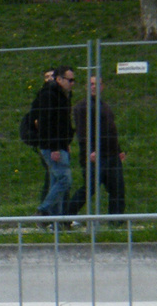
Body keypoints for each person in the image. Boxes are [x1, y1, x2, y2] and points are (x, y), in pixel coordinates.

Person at [69, 75, 126, 215]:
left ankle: (115, 222)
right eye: (91, 84)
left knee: (117, 189)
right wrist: (90, 151)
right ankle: (65, 216)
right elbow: (82, 133)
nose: (94, 87)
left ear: (102, 87)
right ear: (86, 87)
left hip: (112, 156)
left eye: (97, 84)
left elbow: (111, 129)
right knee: (89, 189)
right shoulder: (82, 107)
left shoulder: (104, 105)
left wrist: (118, 150)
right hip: (96, 156)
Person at [29, 65, 76, 216]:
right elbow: (48, 123)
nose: (72, 83)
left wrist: (66, 143)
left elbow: (63, 123)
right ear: (60, 79)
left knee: (56, 182)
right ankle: (43, 210)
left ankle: (56, 220)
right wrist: (55, 147)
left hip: (59, 144)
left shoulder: (62, 95)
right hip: (52, 146)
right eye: (70, 80)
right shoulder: (50, 94)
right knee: (64, 179)